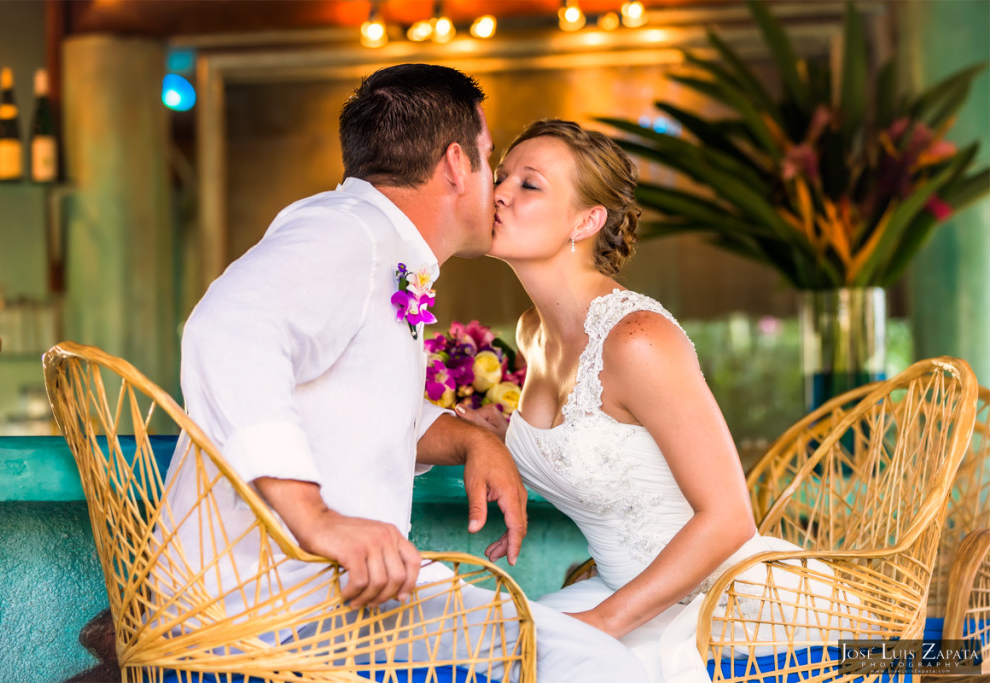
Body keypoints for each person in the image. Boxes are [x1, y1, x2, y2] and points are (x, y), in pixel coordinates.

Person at [164, 66, 649, 682]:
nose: (495, 186)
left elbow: (359, 405)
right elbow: (227, 329)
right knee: (592, 663)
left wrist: (470, 438)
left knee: (574, 649)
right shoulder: (347, 234)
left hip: (311, 602)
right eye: (488, 157)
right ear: (454, 164)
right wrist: (316, 519)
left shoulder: (375, 245)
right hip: (269, 606)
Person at [456, 119, 856, 681]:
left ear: (586, 221)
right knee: (485, 651)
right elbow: (589, 439)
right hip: (620, 593)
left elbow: (729, 518)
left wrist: (601, 624)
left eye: (529, 184)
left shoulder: (638, 339)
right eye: (501, 177)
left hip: (723, 609)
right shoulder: (532, 332)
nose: (497, 192)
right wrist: (483, 436)